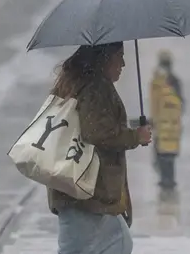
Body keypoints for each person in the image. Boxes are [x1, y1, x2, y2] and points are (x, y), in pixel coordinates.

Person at [47, 43, 150, 254]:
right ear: (103, 59)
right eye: (119, 56)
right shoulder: (95, 88)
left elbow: (91, 126)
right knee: (113, 243)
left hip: (81, 190)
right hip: (86, 192)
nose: (123, 63)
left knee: (119, 242)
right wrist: (135, 136)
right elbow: (96, 132)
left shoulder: (79, 84)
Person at [149, 50, 184, 191]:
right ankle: (169, 179)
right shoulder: (175, 82)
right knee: (170, 154)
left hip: (160, 125)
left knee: (161, 154)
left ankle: (165, 179)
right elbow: (182, 104)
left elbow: (154, 105)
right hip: (173, 126)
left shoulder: (156, 82)